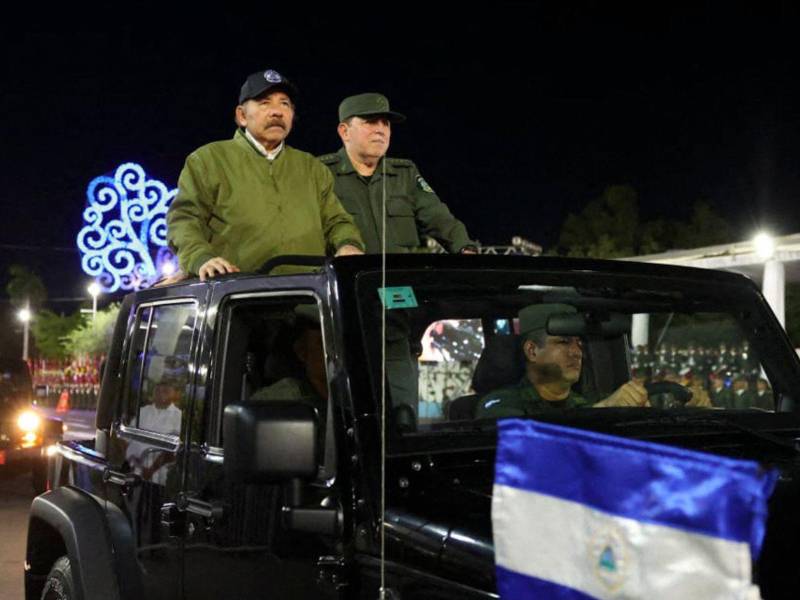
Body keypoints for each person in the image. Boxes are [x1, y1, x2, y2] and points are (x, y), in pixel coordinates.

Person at [167, 68, 364, 281]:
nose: (277, 111)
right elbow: (184, 219)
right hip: (239, 292)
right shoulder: (209, 160)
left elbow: (337, 221)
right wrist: (201, 258)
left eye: (284, 104)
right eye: (264, 103)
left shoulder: (311, 167)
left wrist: (348, 245)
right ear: (242, 116)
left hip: (310, 291)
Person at [318, 93, 476, 255]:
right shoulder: (320, 173)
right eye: (371, 122)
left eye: (385, 123)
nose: (380, 130)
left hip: (399, 271)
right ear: (344, 131)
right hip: (346, 271)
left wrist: (465, 248)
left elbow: (439, 219)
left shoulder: (405, 174)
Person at [475, 304, 650, 418]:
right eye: (564, 342)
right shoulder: (501, 404)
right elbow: (524, 444)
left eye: (579, 344)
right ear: (532, 351)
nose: (577, 353)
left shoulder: (590, 400)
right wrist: (601, 412)